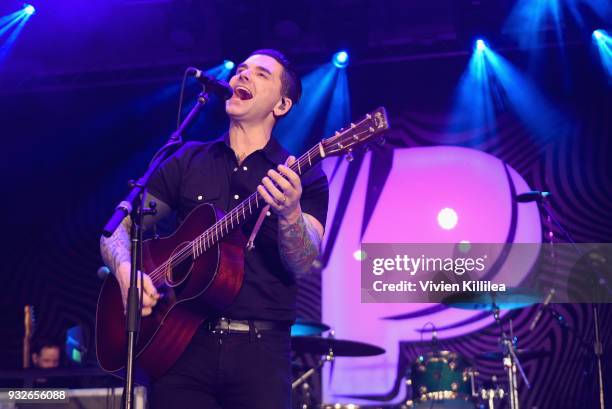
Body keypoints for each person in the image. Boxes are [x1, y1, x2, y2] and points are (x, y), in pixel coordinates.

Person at [100, 49, 329, 409]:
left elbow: (302, 262)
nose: (242, 75)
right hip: (180, 346)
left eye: (261, 74)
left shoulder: (301, 173)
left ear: (282, 106)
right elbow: (116, 228)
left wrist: (289, 213)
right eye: (240, 70)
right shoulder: (188, 159)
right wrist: (126, 271)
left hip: (261, 355)